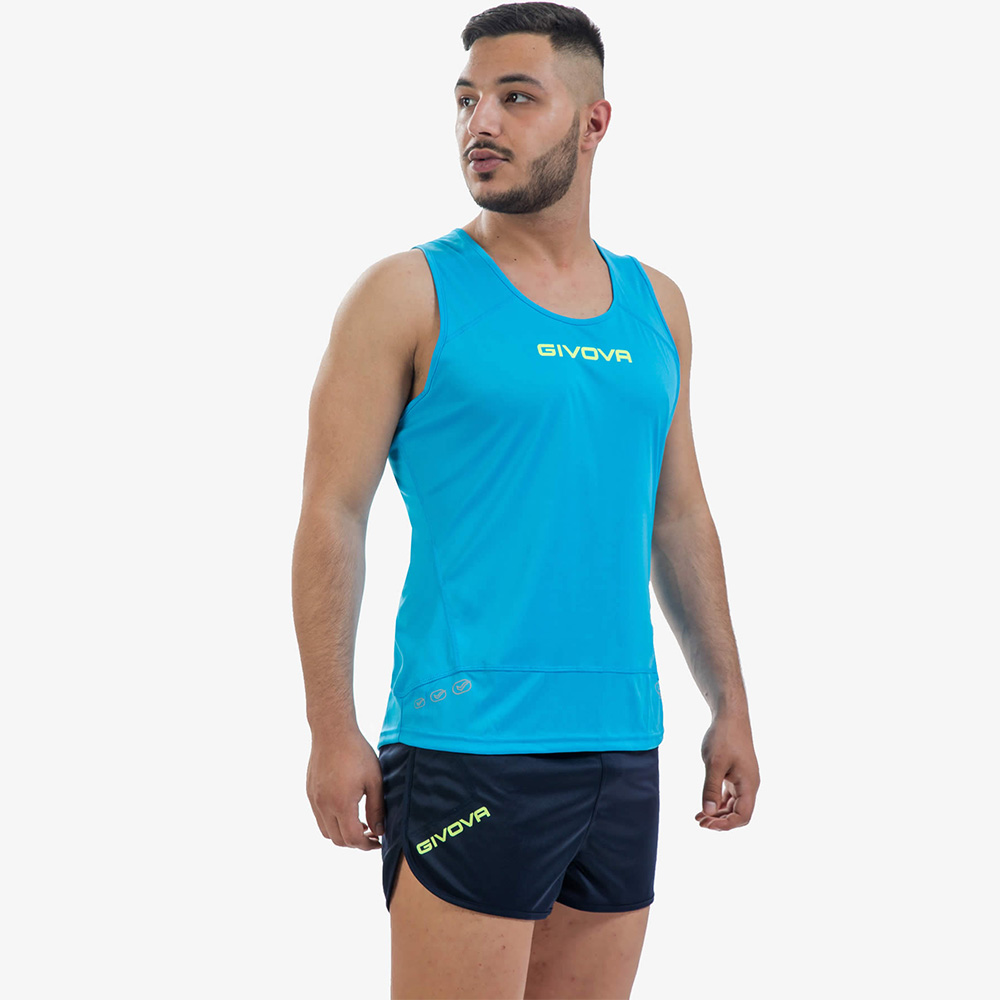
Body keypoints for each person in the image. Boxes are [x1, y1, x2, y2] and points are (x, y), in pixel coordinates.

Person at [291, 3, 760, 997]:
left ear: (594, 123)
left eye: (515, 97)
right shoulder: (407, 293)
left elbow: (677, 516)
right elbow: (333, 513)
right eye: (466, 99)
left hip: (623, 742)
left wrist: (730, 702)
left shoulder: (658, 305)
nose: (481, 123)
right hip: (470, 746)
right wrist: (331, 726)